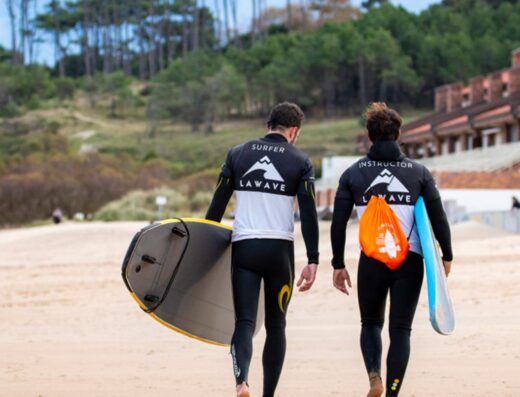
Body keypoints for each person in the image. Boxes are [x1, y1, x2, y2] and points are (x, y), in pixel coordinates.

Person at [330, 103, 453, 397]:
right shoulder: (418, 173)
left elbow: (337, 223)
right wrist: (445, 255)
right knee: (401, 330)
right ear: (398, 134)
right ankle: (393, 392)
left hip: (372, 260)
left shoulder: (353, 174)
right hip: (409, 261)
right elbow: (438, 217)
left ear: (369, 136)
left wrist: (338, 263)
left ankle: (375, 378)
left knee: (370, 323)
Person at [205, 102, 320, 397]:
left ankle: (242, 382)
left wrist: (203, 247)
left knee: (244, 321)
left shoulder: (237, 153)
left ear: (268, 125)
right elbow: (308, 214)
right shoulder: (300, 160)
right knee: (276, 325)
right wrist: (313, 259)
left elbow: (217, 204)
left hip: (245, 249)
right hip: (279, 252)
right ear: (293, 131)